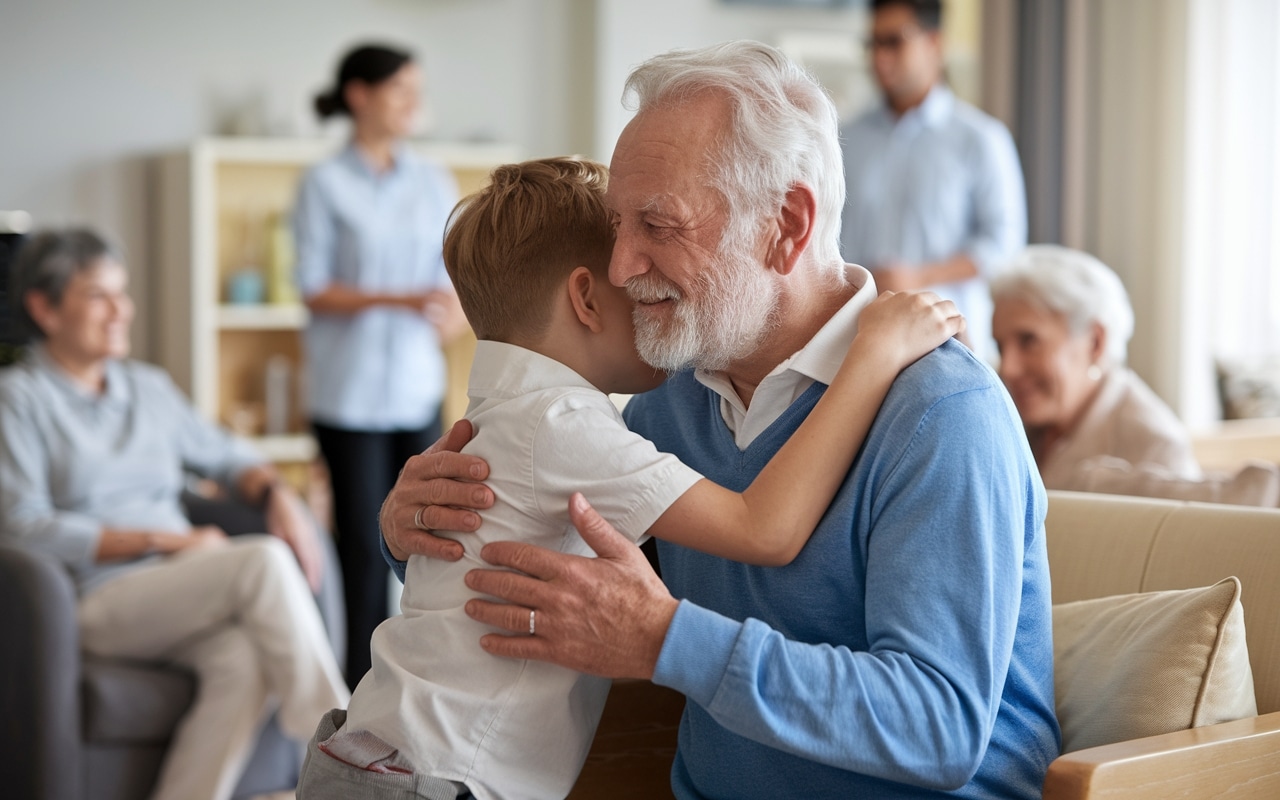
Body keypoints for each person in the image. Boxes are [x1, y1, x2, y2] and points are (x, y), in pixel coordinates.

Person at [380, 41, 1059, 799]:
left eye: (658, 226)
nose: (618, 267)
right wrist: (415, 531)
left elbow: (940, 725)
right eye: (616, 227)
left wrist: (670, 641)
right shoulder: (667, 407)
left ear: (786, 226)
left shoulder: (941, 414)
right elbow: (565, 587)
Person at [295, 155, 960, 800]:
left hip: (374, 750)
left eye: (659, 231)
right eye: (629, 278)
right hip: (437, 779)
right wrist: (870, 358)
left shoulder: (508, 417)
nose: (641, 280)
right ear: (585, 298)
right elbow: (766, 529)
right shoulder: (571, 425)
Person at [0, 228, 350, 800]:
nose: (121, 311)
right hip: (93, 601)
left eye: (123, 293)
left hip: (181, 592)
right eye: (98, 296)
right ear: (45, 307)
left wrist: (274, 494)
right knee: (260, 559)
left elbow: (229, 455)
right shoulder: (18, 400)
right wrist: (164, 542)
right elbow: (22, 525)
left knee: (243, 660)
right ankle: (343, 749)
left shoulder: (148, 388)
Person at [295, 42, 468, 687]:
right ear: (359, 96)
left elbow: (447, 277)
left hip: (418, 389)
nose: (414, 104)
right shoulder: (324, 183)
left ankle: (423, 678)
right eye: (400, 90)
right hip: (349, 397)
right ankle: (357, 690)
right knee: (367, 554)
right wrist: (399, 298)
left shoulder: (432, 180)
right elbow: (312, 286)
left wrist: (452, 309)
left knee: (434, 545)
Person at [991, 244, 1280, 506]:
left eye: (1028, 341)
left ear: (1095, 342)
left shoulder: (1153, 445)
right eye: (1001, 346)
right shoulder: (1009, 418)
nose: (1008, 368)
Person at [839, 0, 1026, 361]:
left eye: (894, 41)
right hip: (853, 343)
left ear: (935, 44)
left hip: (948, 347)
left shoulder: (981, 139)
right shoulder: (844, 139)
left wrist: (916, 277)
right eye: (873, 43)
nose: (879, 58)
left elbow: (1004, 246)